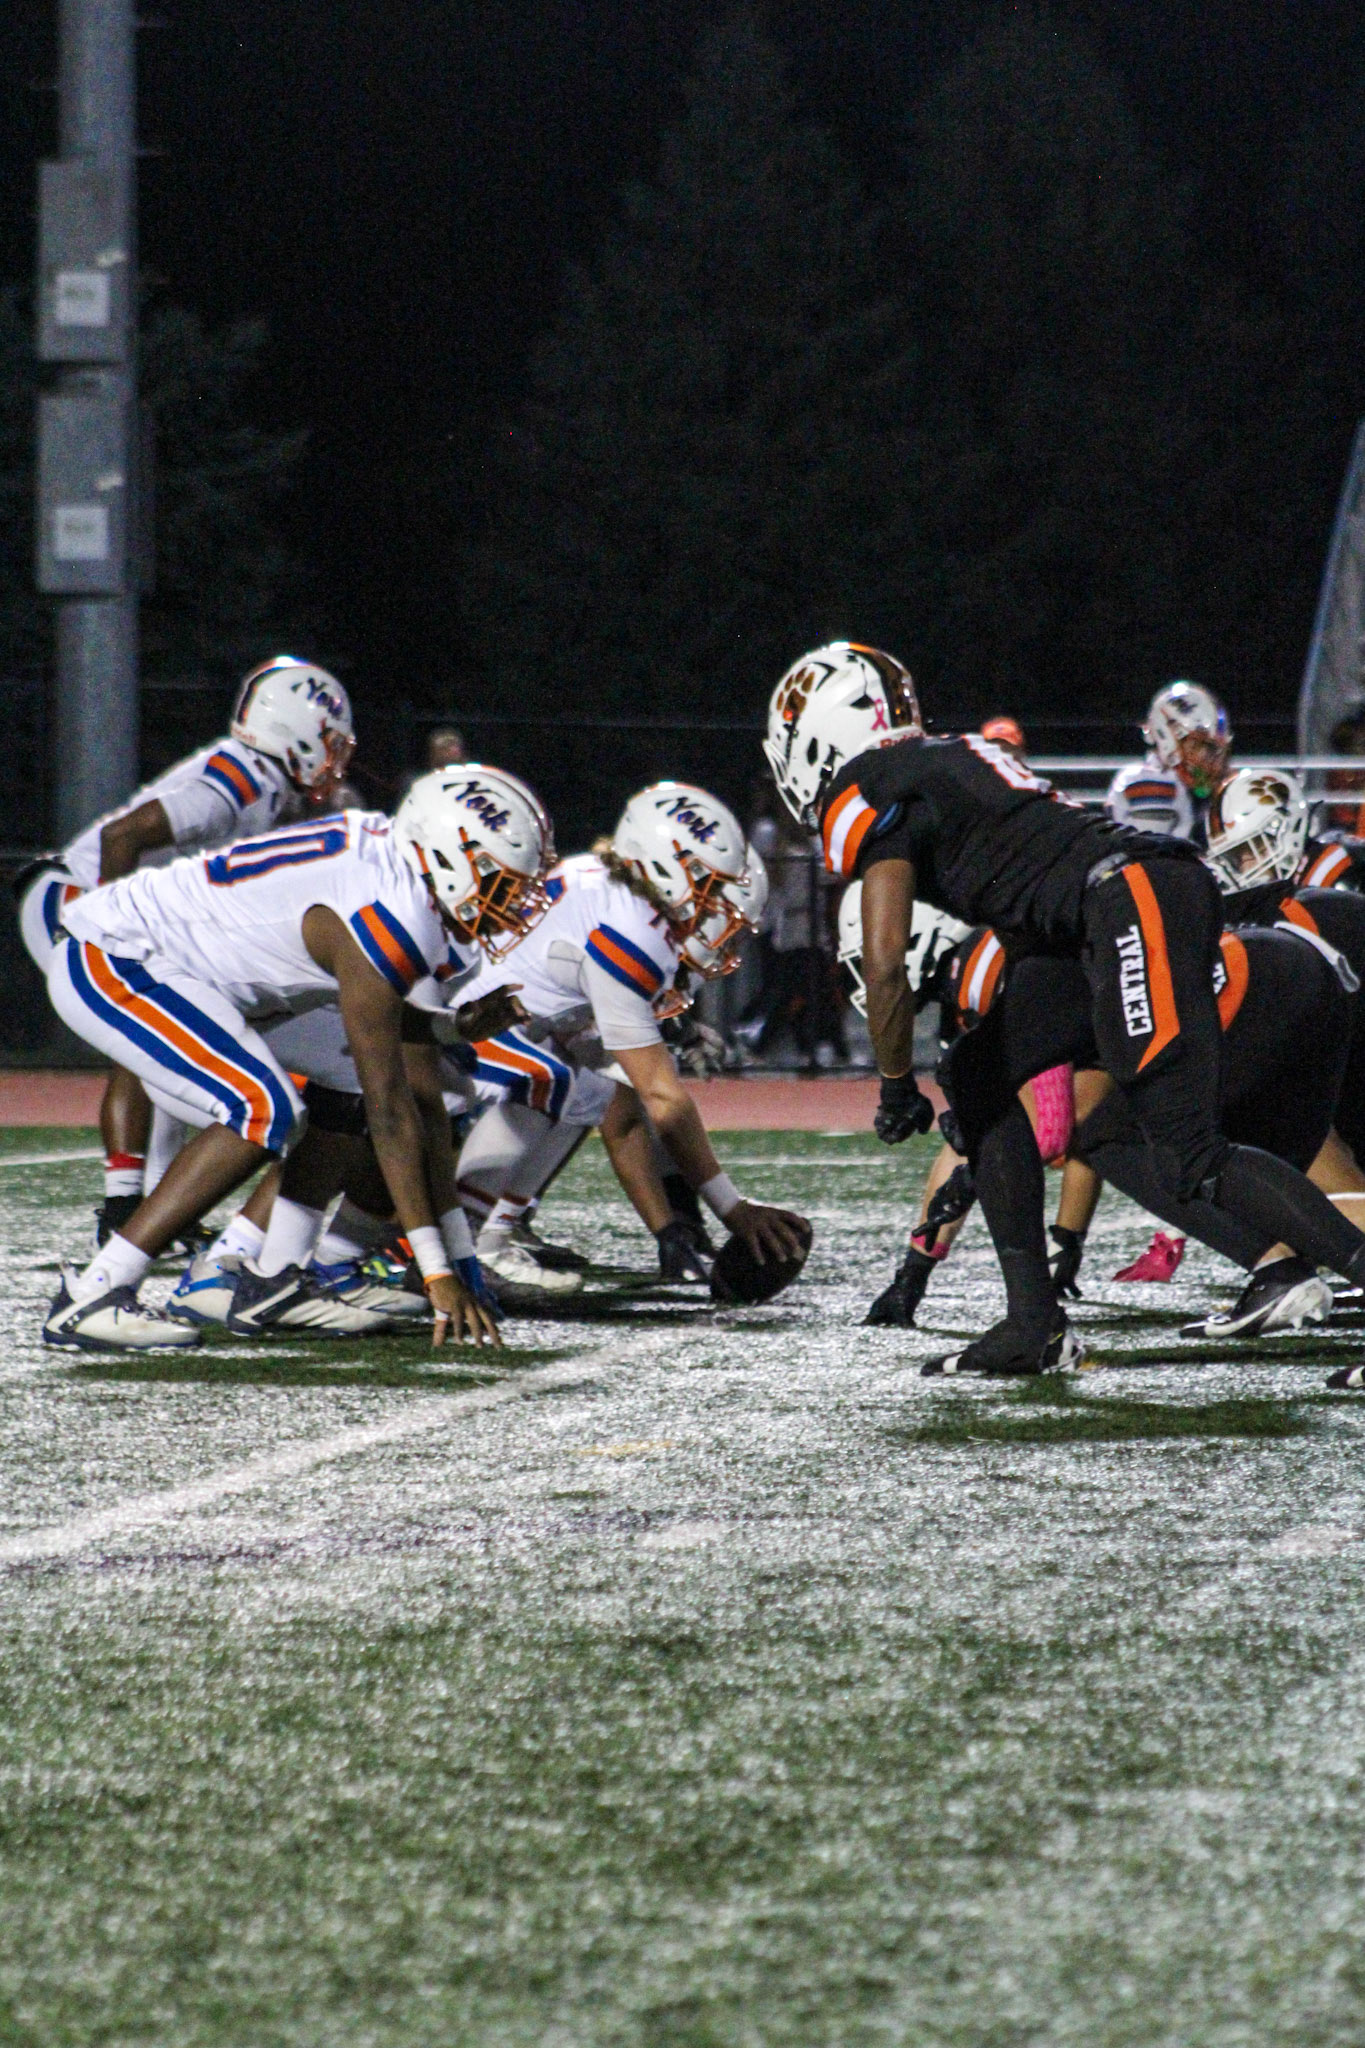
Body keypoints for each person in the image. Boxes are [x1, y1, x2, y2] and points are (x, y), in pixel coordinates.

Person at [764, 640, 1365, 1377]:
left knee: (1186, 1149)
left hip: (1127, 897)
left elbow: (885, 962)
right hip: (1096, 913)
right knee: (977, 1077)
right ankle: (1033, 1324)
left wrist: (893, 1085)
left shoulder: (869, 785)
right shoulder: (949, 760)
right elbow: (1030, 889)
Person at [41, 765, 548, 1352]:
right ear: (447, 857)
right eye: (500, 880)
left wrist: (451, 1026)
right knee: (262, 1108)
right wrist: (439, 1271)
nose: (512, 901)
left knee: (345, 1081)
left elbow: (375, 1021)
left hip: (205, 978)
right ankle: (95, 1292)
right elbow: (391, 1110)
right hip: (118, 957)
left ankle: (272, 1275)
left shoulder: (395, 873)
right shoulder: (390, 906)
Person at [16, 655, 356, 1245]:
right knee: (155, 1036)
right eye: (328, 742)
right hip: (73, 895)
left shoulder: (269, 788)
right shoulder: (246, 780)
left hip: (124, 913)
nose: (333, 758)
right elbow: (124, 835)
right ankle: (126, 1207)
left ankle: (143, 1205)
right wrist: (114, 924)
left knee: (179, 1039)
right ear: (294, 730)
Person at [451, 784, 807, 1294]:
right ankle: (464, 1242)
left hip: (499, 1018)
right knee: (557, 1081)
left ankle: (493, 1234)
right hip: (458, 1026)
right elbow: (663, 1101)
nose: (716, 924)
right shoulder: (634, 931)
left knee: (590, 1086)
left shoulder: (616, 891)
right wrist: (732, 1207)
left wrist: (677, 1030)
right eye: (711, 895)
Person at [1105, 680, 1232, 843]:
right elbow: (1152, 854)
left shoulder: (1203, 790)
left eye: (1213, 749)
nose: (1207, 757)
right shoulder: (1148, 781)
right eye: (1197, 746)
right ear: (1167, 737)